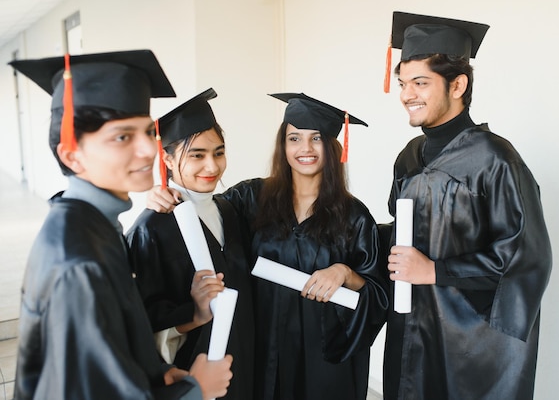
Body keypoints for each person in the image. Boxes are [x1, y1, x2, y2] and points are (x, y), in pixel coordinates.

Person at [9, 50, 232, 400]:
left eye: (147, 131)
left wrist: (156, 373)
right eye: (122, 137)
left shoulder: (95, 227)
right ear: (71, 154)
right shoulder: (78, 258)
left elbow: (109, 350)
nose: (147, 149)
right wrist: (195, 389)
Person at [148, 93, 389, 400]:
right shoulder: (251, 198)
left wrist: (344, 273)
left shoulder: (354, 217)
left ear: (333, 146)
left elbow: (377, 294)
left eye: (316, 138)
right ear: (283, 145)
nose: (305, 149)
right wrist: (163, 193)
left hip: (323, 360)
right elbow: (203, 210)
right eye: (294, 138)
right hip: (262, 352)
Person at [381, 12, 552, 399]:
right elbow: (400, 235)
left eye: (421, 83)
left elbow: (525, 257)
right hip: (412, 328)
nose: (408, 94)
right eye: (404, 83)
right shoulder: (409, 157)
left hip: (470, 347)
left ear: (457, 84)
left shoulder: (495, 159)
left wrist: (435, 271)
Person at [126, 88, 254, 399]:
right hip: (192, 372)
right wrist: (192, 312)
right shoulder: (152, 227)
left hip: (244, 363)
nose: (212, 167)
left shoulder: (229, 209)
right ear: (167, 158)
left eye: (218, 153)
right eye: (197, 155)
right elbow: (143, 320)